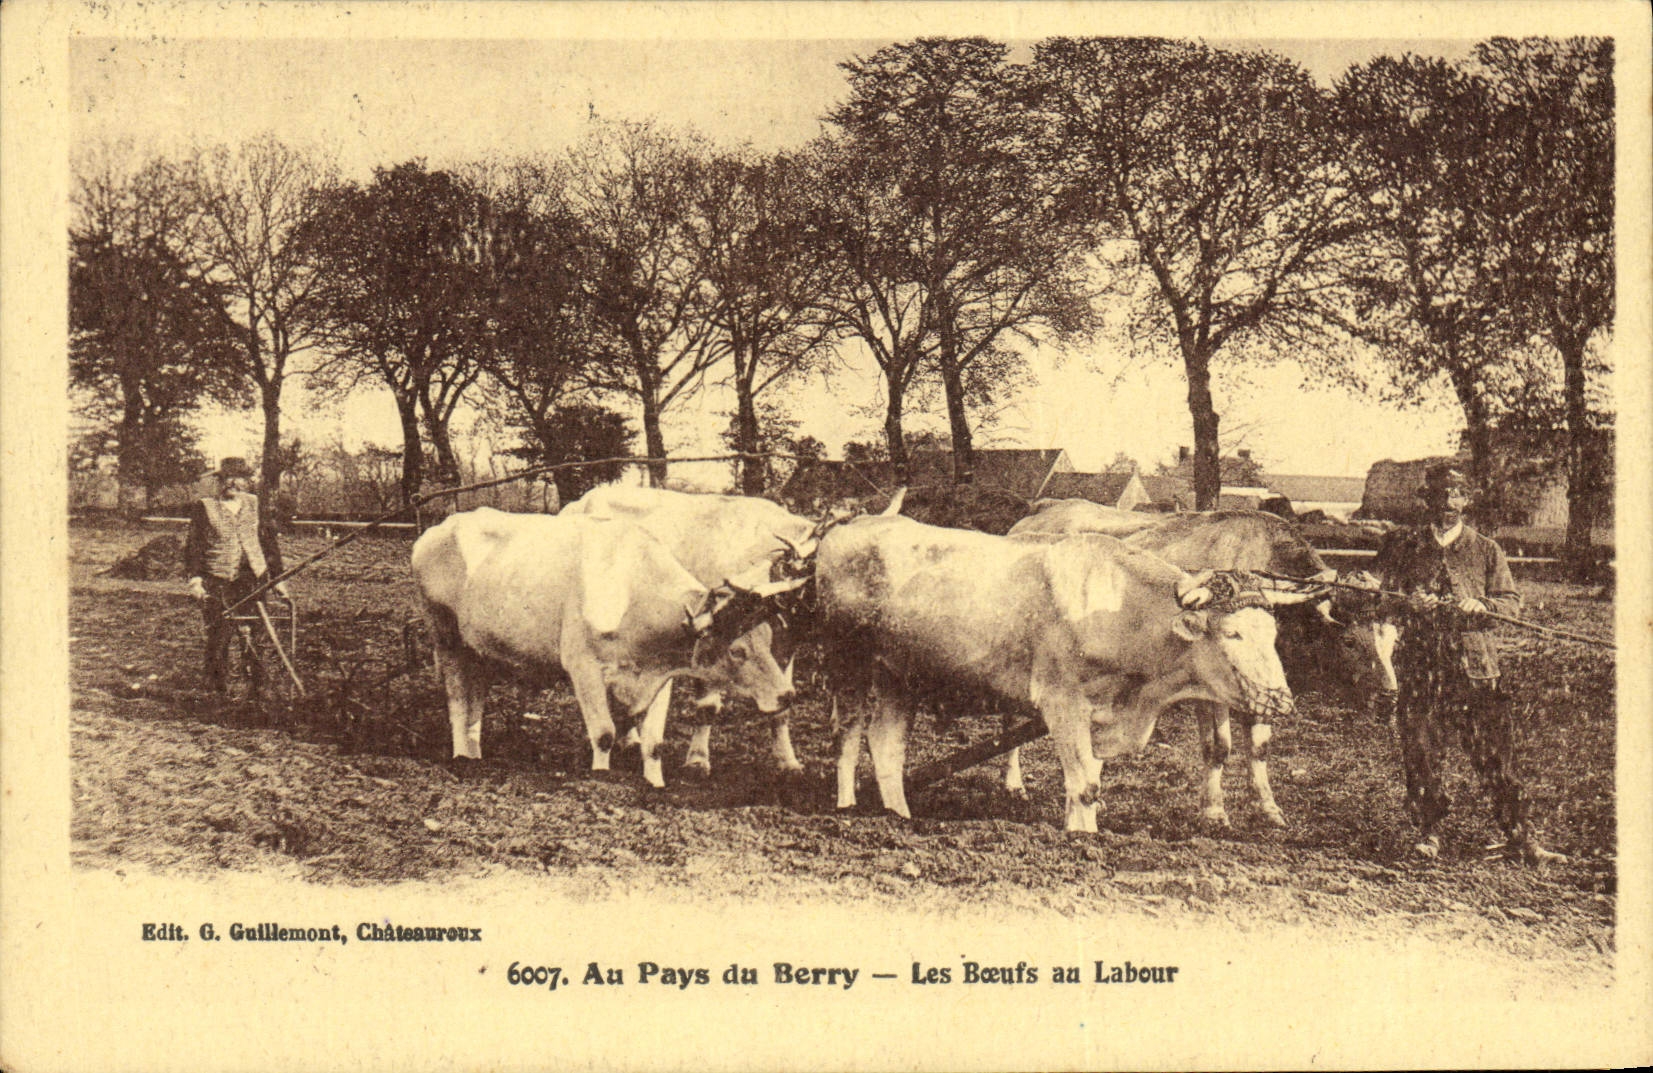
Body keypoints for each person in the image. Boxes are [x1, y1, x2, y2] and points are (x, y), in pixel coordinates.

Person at [1372, 462, 1561, 865]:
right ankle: (1429, 833)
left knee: (1496, 756)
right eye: (1440, 494)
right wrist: (1410, 603)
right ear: (1427, 500)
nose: (1448, 502)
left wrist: (1483, 605)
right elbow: (1384, 600)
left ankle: (1521, 837)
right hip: (1422, 668)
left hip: (1476, 671)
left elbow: (1510, 603)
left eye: (1456, 494)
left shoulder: (1486, 549)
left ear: (1467, 501)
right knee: (1421, 752)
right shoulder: (1405, 547)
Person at [184, 458, 288, 692]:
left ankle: (257, 688)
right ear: (219, 481)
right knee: (219, 635)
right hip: (218, 579)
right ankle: (216, 689)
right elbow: (194, 545)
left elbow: (268, 542)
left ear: (246, 481)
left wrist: (278, 580)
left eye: (238, 478)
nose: (232, 483)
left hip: (252, 579)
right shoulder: (205, 507)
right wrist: (195, 580)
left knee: (256, 634)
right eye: (226, 478)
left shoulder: (254, 504)